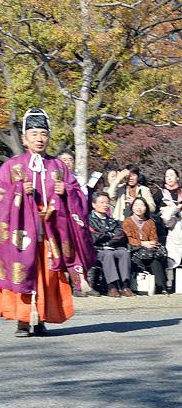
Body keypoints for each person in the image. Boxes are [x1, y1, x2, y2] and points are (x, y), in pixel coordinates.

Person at [0, 108, 95, 337]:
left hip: (52, 229)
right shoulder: (11, 167)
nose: (39, 139)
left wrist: (66, 192)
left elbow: (79, 195)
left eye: (43, 133)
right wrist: (19, 191)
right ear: (24, 139)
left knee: (48, 275)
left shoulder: (59, 166)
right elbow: (1, 196)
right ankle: (22, 321)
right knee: (22, 270)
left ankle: (41, 317)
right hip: (22, 230)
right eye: (34, 134)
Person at [89, 192, 134, 297]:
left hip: (113, 247)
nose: (105, 205)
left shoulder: (113, 220)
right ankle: (111, 286)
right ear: (94, 204)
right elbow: (94, 237)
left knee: (124, 253)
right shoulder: (89, 220)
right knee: (108, 254)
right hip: (97, 250)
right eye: (102, 202)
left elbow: (120, 235)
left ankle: (124, 285)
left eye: (107, 203)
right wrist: (109, 235)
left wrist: (107, 238)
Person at [122, 196, 168, 295]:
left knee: (155, 260)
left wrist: (151, 244)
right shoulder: (127, 221)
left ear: (146, 208)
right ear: (132, 208)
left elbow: (154, 238)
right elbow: (129, 239)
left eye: (142, 205)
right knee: (146, 258)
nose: (139, 208)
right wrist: (142, 243)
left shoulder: (150, 222)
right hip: (134, 250)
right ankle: (147, 285)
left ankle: (161, 287)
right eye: (136, 205)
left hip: (149, 251)